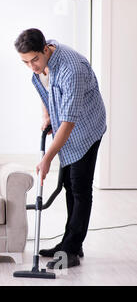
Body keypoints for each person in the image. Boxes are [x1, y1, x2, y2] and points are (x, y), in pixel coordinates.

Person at [14, 28, 106, 269]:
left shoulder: (71, 70)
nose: (32, 66)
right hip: (68, 125)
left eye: (34, 59)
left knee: (80, 187)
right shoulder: (43, 60)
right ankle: (70, 243)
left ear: (46, 49)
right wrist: (46, 114)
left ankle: (71, 251)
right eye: (25, 62)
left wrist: (47, 160)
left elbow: (68, 123)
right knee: (68, 185)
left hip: (86, 128)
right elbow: (45, 88)